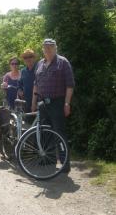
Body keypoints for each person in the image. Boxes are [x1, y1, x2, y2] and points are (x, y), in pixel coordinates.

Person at [31, 38, 75, 173]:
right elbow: (36, 84)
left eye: (50, 47)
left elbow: (70, 85)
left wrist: (67, 103)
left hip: (57, 103)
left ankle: (64, 164)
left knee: (59, 133)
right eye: (45, 47)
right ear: (42, 49)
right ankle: (48, 159)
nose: (48, 50)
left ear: (55, 48)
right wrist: (33, 103)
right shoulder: (39, 64)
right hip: (43, 103)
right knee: (44, 132)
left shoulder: (63, 62)